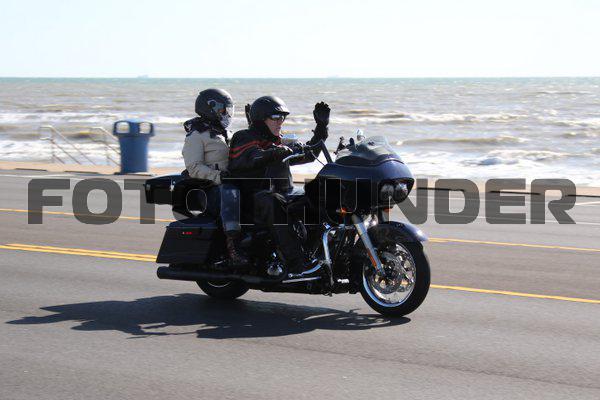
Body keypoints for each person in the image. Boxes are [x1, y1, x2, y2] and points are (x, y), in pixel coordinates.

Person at [228, 95, 330, 274]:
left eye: (282, 118)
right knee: (273, 202)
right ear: (261, 119)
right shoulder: (244, 137)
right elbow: (252, 157)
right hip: (255, 197)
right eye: (275, 118)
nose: (280, 122)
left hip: (285, 192)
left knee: (320, 196)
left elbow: (308, 154)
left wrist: (321, 128)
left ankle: (319, 253)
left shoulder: (279, 140)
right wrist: (276, 152)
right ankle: (295, 263)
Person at [181, 88, 248, 266]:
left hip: (228, 182)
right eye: (223, 110)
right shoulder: (196, 135)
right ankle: (233, 247)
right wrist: (219, 177)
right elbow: (193, 167)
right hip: (208, 188)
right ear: (210, 108)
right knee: (231, 193)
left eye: (228, 110)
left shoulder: (224, 133)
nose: (227, 114)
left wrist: (253, 129)